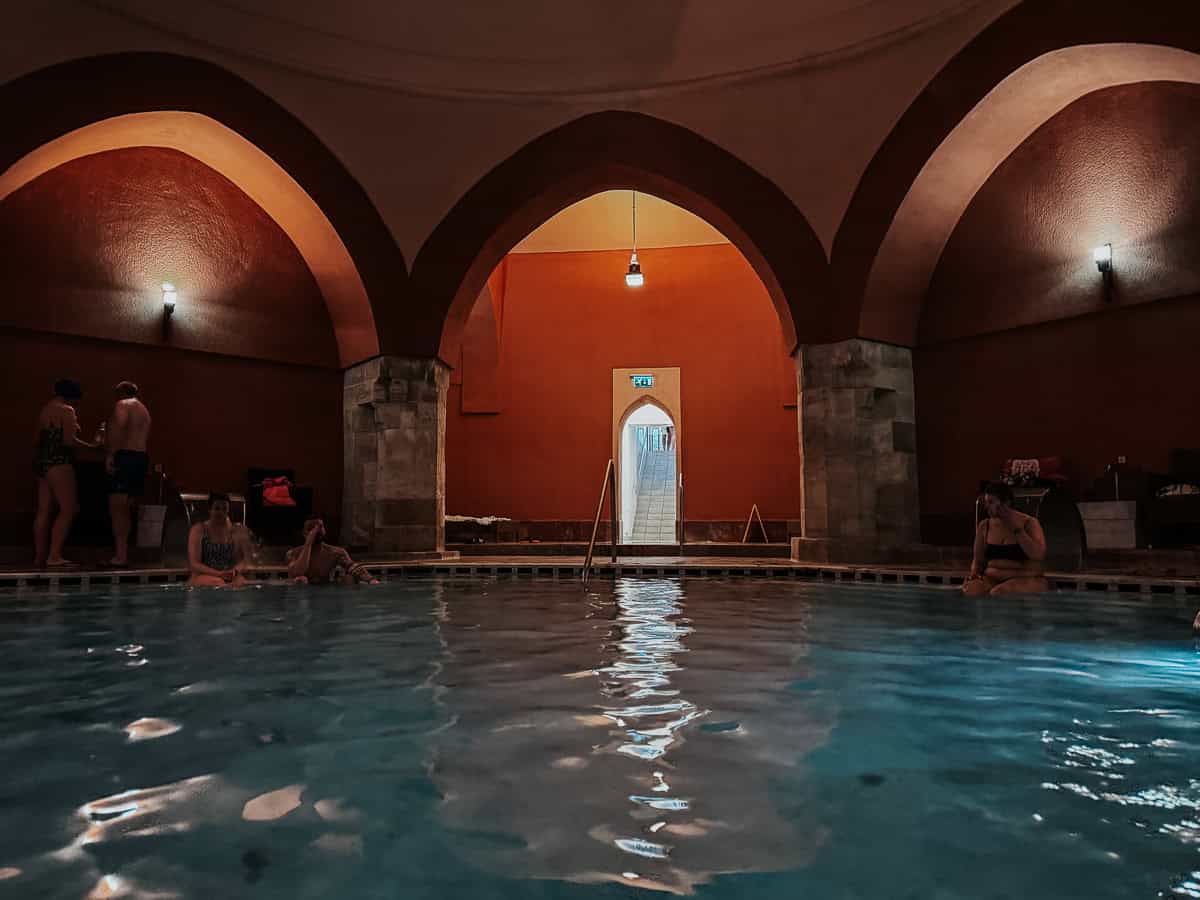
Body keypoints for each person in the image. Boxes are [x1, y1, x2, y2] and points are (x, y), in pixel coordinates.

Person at [33, 379, 100, 568]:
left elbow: (36, 438)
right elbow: (69, 442)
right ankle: (54, 556)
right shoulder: (67, 410)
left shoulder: (45, 409)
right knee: (68, 509)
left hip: (41, 462)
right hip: (60, 461)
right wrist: (94, 447)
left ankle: (39, 557)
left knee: (43, 510)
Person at [963, 481, 1049, 595]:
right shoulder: (985, 526)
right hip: (992, 577)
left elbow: (1038, 555)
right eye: (985, 502)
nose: (986, 506)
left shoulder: (1029, 523)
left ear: (1006, 503)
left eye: (991, 502)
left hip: (1026, 578)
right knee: (972, 591)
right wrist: (974, 574)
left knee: (999, 592)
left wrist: (1017, 530)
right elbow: (978, 560)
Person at [104, 381, 152, 567]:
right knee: (125, 507)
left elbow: (119, 429)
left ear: (121, 393)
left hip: (125, 457)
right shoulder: (144, 410)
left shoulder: (123, 405)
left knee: (117, 507)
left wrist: (110, 455)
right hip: (140, 458)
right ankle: (124, 554)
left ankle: (120, 556)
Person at [287, 515, 379, 585]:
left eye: (319, 527)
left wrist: (371, 580)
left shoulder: (335, 552)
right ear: (304, 533)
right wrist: (308, 543)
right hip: (301, 597)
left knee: (349, 579)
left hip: (325, 591)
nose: (316, 531)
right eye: (311, 528)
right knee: (301, 579)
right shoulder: (293, 553)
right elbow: (297, 572)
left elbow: (353, 567)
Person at [187, 492, 253, 587]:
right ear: (210, 509)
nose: (221, 512)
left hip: (229, 575)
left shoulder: (237, 531)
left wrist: (234, 571)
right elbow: (194, 564)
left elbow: (246, 559)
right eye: (217, 508)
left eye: (224, 509)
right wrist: (219, 574)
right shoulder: (199, 530)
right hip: (203, 575)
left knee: (240, 584)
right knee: (218, 583)